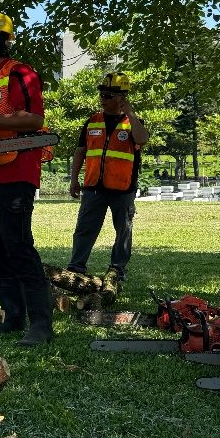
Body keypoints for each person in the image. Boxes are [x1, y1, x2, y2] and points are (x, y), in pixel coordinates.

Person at [0, 12, 54, 346]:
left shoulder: (21, 74)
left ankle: (41, 325)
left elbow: (34, 119)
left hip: (16, 173)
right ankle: (13, 316)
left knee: (17, 245)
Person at [66, 72, 149, 282]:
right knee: (84, 229)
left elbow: (142, 139)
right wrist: (74, 179)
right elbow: (80, 151)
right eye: (101, 95)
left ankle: (118, 268)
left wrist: (130, 113)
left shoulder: (133, 123)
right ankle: (76, 266)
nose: (102, 99)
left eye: (108, 96)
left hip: (123, 188)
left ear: (122, 98)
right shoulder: (92, 121)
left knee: (123, 230)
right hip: (93, 187)